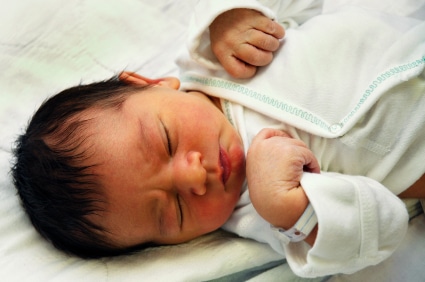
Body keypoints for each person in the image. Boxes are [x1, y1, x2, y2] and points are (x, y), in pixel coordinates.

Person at [11, 0, 425, 278]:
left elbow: (304, 7)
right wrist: (292, 210)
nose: (194, 177)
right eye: (174, 210)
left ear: (149, 82)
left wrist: (233, 15)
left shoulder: (214, 54)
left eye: (166, 141)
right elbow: (380, 231)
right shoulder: (257, 213)